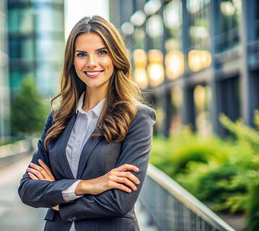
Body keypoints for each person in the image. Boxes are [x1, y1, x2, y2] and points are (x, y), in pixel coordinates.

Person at [18, 15, 156, 231]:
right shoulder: (57, 118)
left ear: (115, 57)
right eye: (82, 54)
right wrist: (89, 186)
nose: (92, 62)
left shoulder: (137, 118)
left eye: (102, 52)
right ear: (72, 62)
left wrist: (57, 200)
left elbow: (120, 201)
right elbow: (27, 188)